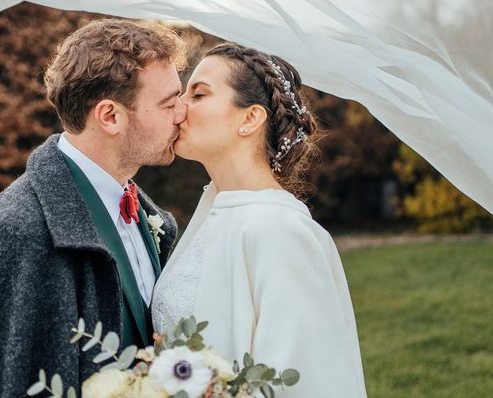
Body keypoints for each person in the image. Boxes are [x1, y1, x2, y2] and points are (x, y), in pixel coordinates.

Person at [0, 19, 187, 397]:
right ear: (110, 116)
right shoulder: (13, 235)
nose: (182, 113)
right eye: (169, 103)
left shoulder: (151, 220)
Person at [150, 43, 367, 397]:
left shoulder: (280, 231)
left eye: (198, 94)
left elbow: (303, 381)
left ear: (250, 119)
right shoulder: (212, 213)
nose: (178, 108)